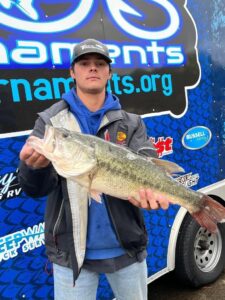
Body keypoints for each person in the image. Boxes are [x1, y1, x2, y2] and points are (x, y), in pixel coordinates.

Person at [18, 38, 170, 300]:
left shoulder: (131, 122)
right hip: (70, 255)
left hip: (126, 250)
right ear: (72, 72)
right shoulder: (51, 122)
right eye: (85, 63)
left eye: (100, 64)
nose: (93, 69)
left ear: (109, 73)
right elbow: (33, 188)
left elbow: (147, 159)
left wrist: (151, 195)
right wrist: (33, 168)